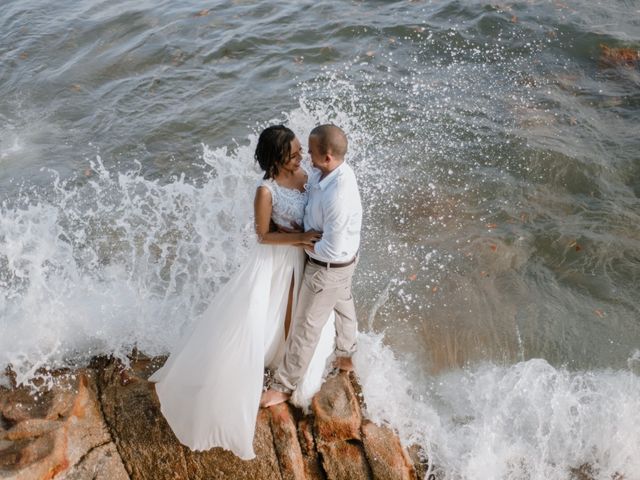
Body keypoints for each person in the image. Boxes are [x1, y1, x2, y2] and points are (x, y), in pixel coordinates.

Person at [149, 125, 336, 460]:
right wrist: (299, 237)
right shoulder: (265, 191)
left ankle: (290, 362)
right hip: (277, 258)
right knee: (260, 316)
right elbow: (263, 235)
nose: (300, 157)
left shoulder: (304, 175)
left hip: (302, 256)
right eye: (293, 153)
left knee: (299, 311)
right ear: (278, 158)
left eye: (299, 151)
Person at [260, 124, 362, 408]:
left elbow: (330, 246)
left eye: (311, 152)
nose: (305, 157)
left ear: (327, 157)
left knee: (306, 326)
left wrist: (301, 242)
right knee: (344, 307)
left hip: (327, 266)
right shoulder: (329, 173)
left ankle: (283, 386)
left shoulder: (338, 195)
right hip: (345, 263)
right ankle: (346, 356)